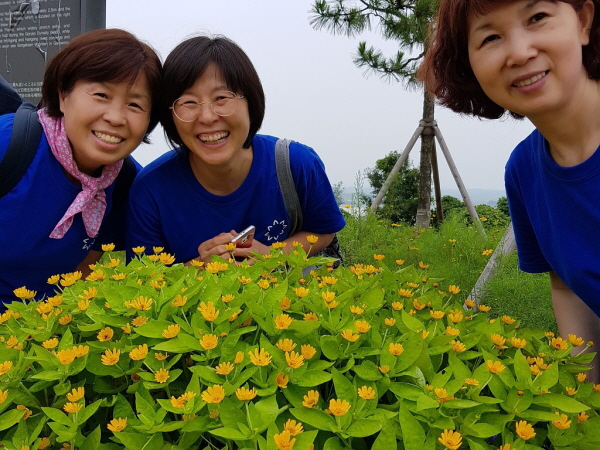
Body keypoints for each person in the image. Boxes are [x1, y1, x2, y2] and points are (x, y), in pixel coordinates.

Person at [421, 0, 600, 378]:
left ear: (583, 22)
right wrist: (586, 403)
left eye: (537, 18)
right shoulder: (523, 171)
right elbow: (569, 290)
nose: (519, 53)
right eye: (490, 38)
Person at [126, 35, 345, 265]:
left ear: (250, 102)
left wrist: (271, 257)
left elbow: (324, 231)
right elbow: (143, 280)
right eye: (188, 102)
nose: (208, 117)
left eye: (222, 98)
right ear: (170, 114)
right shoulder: (151, 190)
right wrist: (200, 268)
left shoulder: (295, 164)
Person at [0, 28, 162, 303]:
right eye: (101, 95)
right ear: (63, 95)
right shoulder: (10, 146)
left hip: (35, 331)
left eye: (135, 104)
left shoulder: (124, 182)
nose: (115, 117)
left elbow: (84, 269)